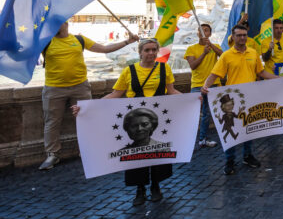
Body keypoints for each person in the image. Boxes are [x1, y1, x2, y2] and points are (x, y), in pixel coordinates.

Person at [72, 38, 180, 205]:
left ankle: (156, 186)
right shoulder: (129, 71)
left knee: (158, 152)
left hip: (156, 118)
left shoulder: (164, 68)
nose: (151, 53)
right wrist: (88, 107)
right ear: (140, 52)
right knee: (136, 154)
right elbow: (115, 94)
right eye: (147, 50)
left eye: (154, 50)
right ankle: (140, 189)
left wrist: (194, 100)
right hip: (136, 119)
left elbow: (171, 91)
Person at [39, 22, 138, 170]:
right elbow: (24, 52)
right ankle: (52, 154)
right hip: (54, 88)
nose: (54, 25)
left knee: (86, 119)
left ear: (66, 23)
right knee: (52, 122)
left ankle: (86, 151)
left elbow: (104, 49)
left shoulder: (79, 39)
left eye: (58, 22)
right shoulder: (45, 42)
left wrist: (127, 42)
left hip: (80, 87)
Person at [202, 24, 279, 173]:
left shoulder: (253, 53)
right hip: (232, 99)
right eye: (239, 35)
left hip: (250, 96)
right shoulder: (226, 55)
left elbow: (261, 72)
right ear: (233, 37)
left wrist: (279, 79)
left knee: (248, 128)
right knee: (230, 130)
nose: (242, 38)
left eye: (244, 35)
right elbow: (215, 74)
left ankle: (247, 155)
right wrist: (205, 86)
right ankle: (229, 160)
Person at [184, 23, 223, 149]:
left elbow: (223, 56)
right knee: (193, 114)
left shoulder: (215, 46)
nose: (203, 32)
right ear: (197, 33)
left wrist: (210, 45)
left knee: (207, 114)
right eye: (200, 30)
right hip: (197, 85)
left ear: (210, 34)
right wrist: (204, 53)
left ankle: (202, 139)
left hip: (213, 85)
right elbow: (193, 66)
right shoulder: (191, 48)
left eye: (206, 30)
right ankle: (186, 139)